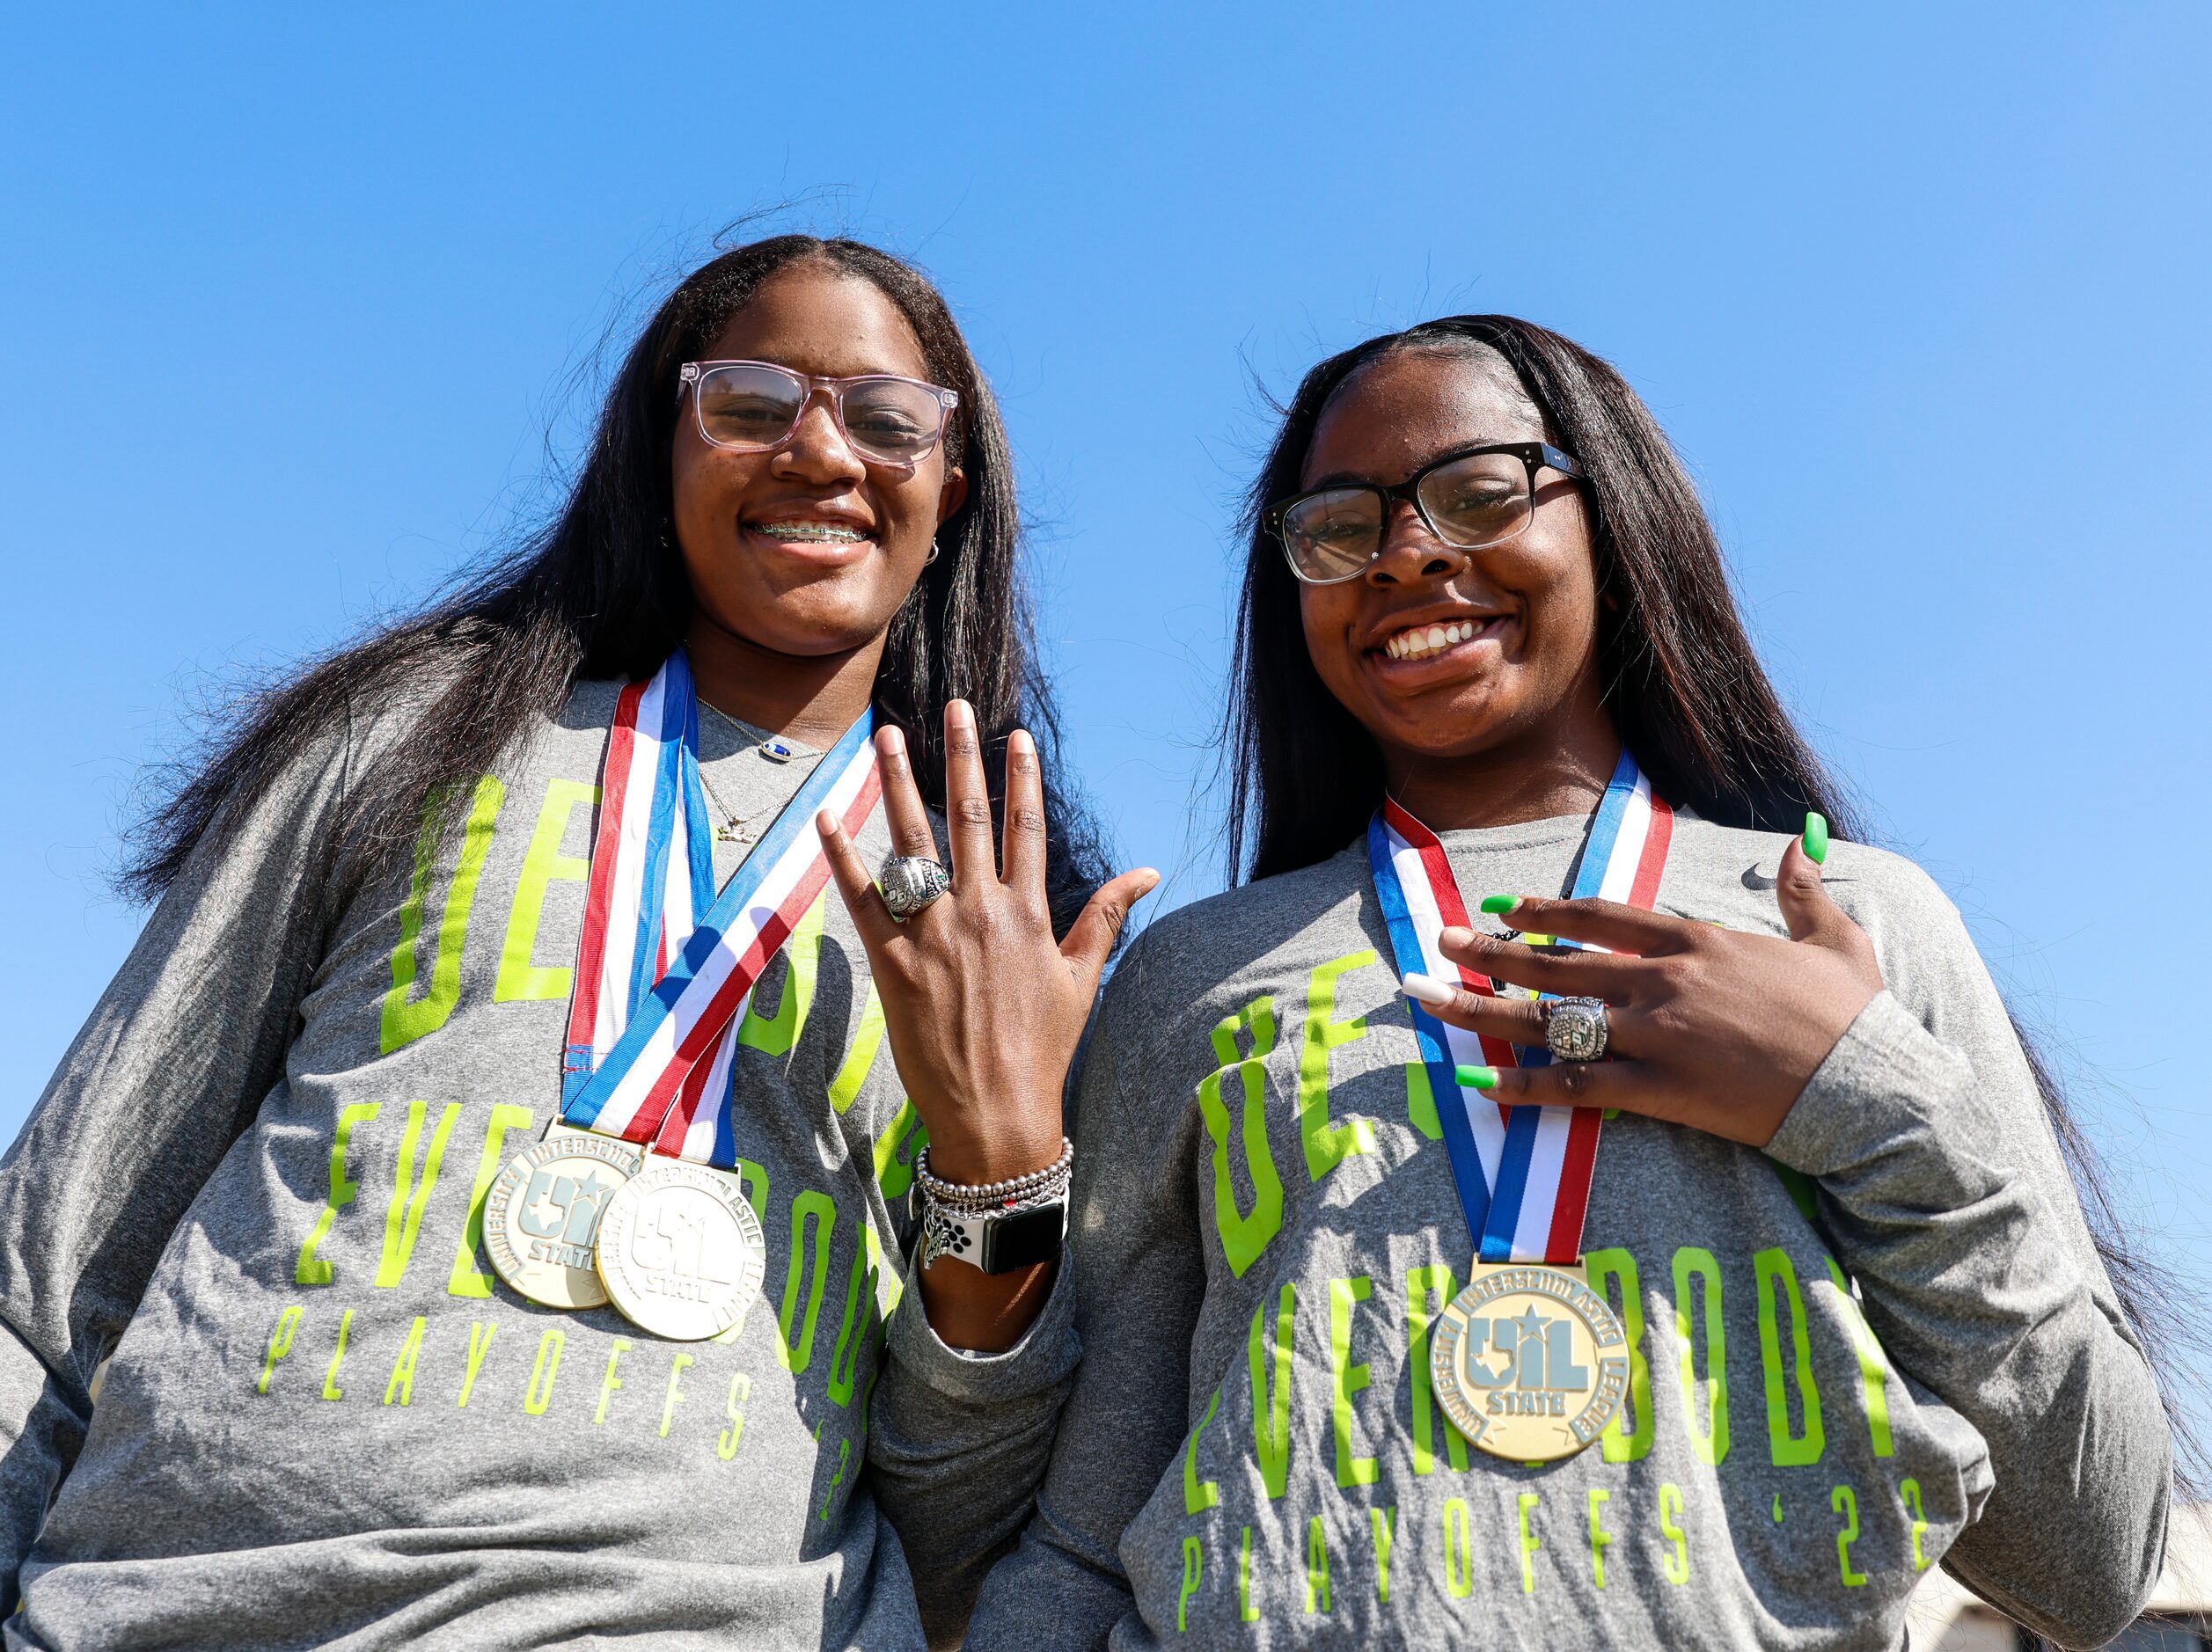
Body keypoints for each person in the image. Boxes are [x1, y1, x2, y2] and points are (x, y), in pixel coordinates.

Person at [0, 232, 1150, 1649]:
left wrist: (997, 1160)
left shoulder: (1006, 916)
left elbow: (961, 1500)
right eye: (749, 403)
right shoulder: (414, 729)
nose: (816, 451)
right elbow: (53, 1263)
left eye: (882, 417)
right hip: (178, 1606)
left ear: (946, 489)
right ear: (659, 451)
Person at [952, 316, 2173, 1648]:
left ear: (1615, 514)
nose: (1408, 551)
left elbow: (2092, 1559)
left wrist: (1860, 1092)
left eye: (1477, 493)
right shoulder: (1192, 974)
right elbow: (1079, 1536)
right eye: (1337, 528)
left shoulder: (1850, 923)